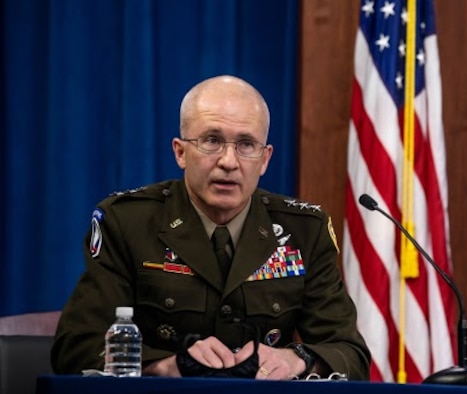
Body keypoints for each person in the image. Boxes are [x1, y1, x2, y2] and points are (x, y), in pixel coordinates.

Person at [51, 75, 370, 380]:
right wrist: (165, 366)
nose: (229, 161)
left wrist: (298, 358)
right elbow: (78, 349)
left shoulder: (304, 231)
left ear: (265, 159)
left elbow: (350, 354)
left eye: (246, 144)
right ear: (180, 152)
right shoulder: (127, 223)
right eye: (212, 141)